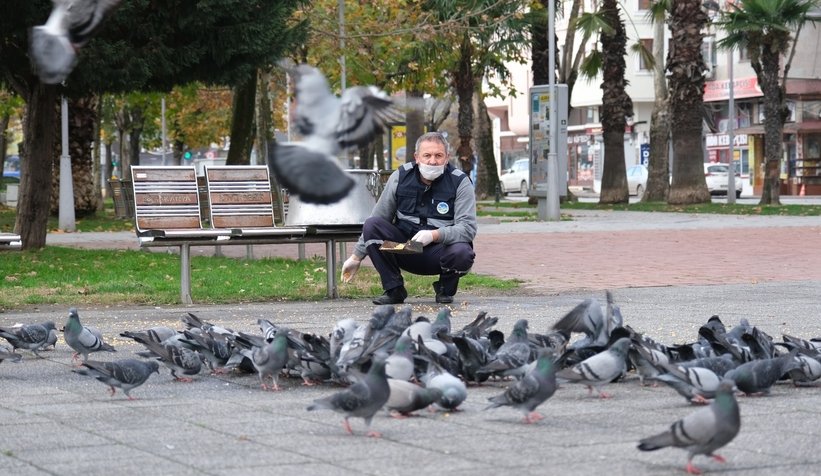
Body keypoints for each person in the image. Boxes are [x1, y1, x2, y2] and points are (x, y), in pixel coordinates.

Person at [341, 132, 477, 305]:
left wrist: (434, 235)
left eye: (438, 155)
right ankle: (394, 289)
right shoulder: (400, 176)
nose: (432, 161)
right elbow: (379, 217)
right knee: (372, 225)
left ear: (447, 158)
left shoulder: (460, 182)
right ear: (417, 157)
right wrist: (356, 257)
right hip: (405, 248)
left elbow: (467, 229)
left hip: (438, 253)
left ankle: (445, 288)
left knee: (462, 252)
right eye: (427, 155)